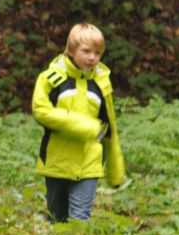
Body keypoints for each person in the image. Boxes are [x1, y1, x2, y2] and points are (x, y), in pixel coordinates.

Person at [32, 22, 125, 222]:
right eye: (87, 51)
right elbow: (40, 110)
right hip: (58, 161)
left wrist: (115, 171)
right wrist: (84, 127)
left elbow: (110, 128)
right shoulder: (51, 78)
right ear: (71, 50)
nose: (93, 58)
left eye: (98, 53)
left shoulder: (101, 82)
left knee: (79, 219)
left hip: (89, 163)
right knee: (57, 218)